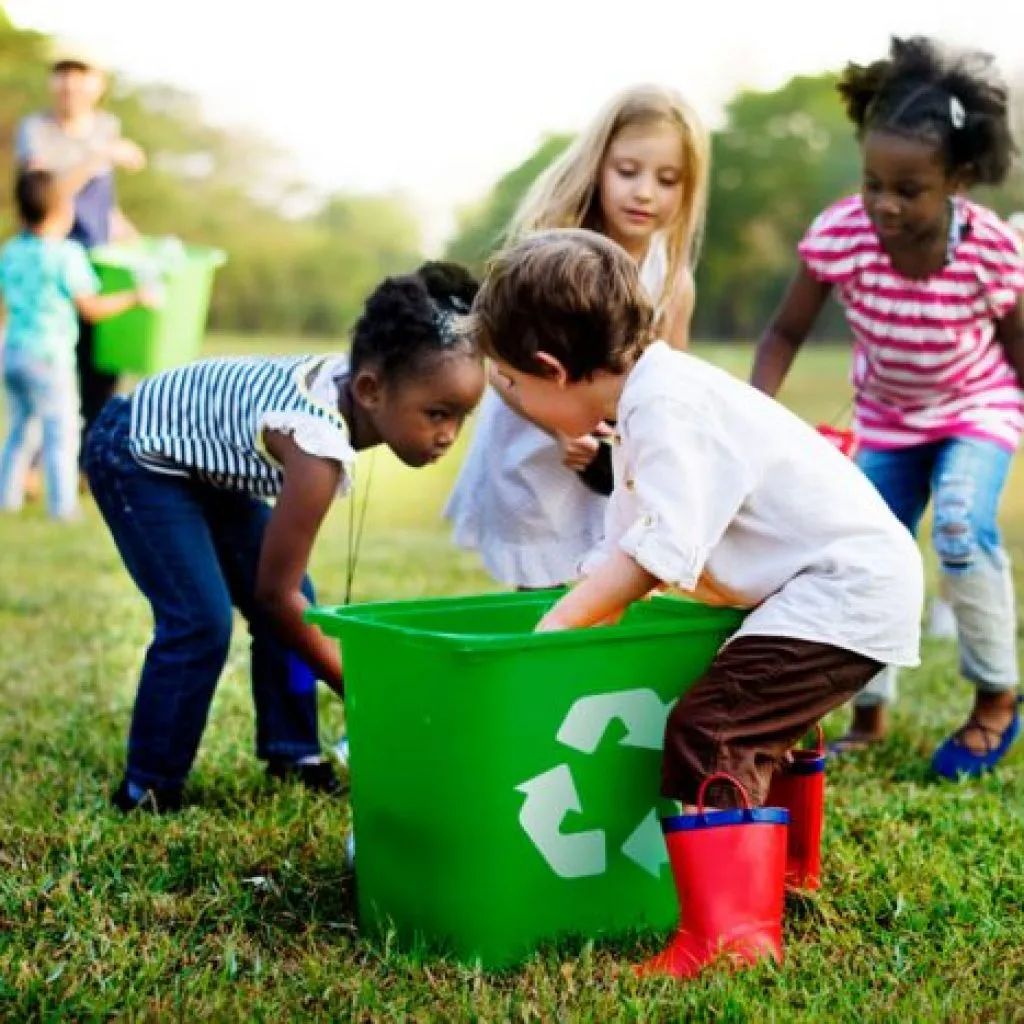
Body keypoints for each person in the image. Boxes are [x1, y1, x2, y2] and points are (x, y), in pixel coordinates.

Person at [470, 227, 922, 978]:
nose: (515, 402)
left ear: (551, 367)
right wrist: (587, 597)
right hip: (832, 584)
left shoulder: (668, 408)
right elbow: (626, 542)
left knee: (714, 729)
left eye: (513, 385)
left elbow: (658, 551)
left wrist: (559, 624)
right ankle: (785, 881)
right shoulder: (656, 397)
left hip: (841, 588)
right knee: (763, 718)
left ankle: (733, 939)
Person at [82, 263, 485, 812]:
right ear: (369, 389)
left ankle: (293, 752)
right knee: (200, 621)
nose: (448, 436)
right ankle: (148, 787)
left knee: (303, 606)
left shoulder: (354, 388)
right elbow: (274, 596)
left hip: (202, 467)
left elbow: (286, 596)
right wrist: (355, 685)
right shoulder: (315, 445)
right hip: (135, 451)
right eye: (437, 414)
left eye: (462, 417)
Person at [751, 36, 1024, 777]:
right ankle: (869, 711)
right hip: (890, 419)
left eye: (909, 189)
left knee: (962, 526)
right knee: (867, 550)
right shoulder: (843, 235)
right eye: (874, 182)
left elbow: (1017, 350)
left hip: (977, 406)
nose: (884, 204)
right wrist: (750, 421)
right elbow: (783, 333)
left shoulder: (992, 250)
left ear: (958, 180)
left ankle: (997, 698)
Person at [444, 84, 708, 589]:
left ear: (687, 191)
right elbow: (498, 362)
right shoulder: (548, 255)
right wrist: (560, 428)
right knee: (542, 581)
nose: (645, 192)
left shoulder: (671, 281)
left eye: (668, 179)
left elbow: (668, 386)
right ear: (597, 166)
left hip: (609, 462)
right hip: (534, 447)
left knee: (607, 574)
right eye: (627, 171)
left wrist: (616, 447)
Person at [16, 41, 147, 449]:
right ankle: (35, 467)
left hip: (98, 259)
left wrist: (127, 232)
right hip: (50, 259)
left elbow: (102, 202)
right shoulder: (36, 130)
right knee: (51, 363)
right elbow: (43, 196)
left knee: (101, 370)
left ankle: (92, 462)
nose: (70, 82)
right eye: (62, 71)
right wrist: (98, 155)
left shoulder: (106, 125)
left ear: (98, 83)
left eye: (80, 73)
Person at [0, 170, 152, 519]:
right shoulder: (66, 255)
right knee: (63, 430)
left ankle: (7, 500)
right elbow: (92, 310)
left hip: (13, 352)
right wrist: (136, 297)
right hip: (49, 355)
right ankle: (63, 508)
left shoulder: (11, 252)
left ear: (21, 213)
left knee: (21, 428)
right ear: (63, 212)